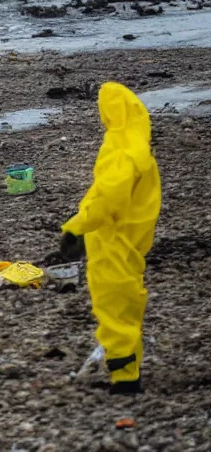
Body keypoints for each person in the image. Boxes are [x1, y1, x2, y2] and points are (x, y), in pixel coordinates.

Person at [59, 82, 161, 395]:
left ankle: (125, 380)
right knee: (128, 308)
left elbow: (108, 199)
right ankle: (129, 372)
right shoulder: (137, 146)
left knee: (113, 312)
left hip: (112, 243)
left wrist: (77, 227)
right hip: (131, 243)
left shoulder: (122, 151)